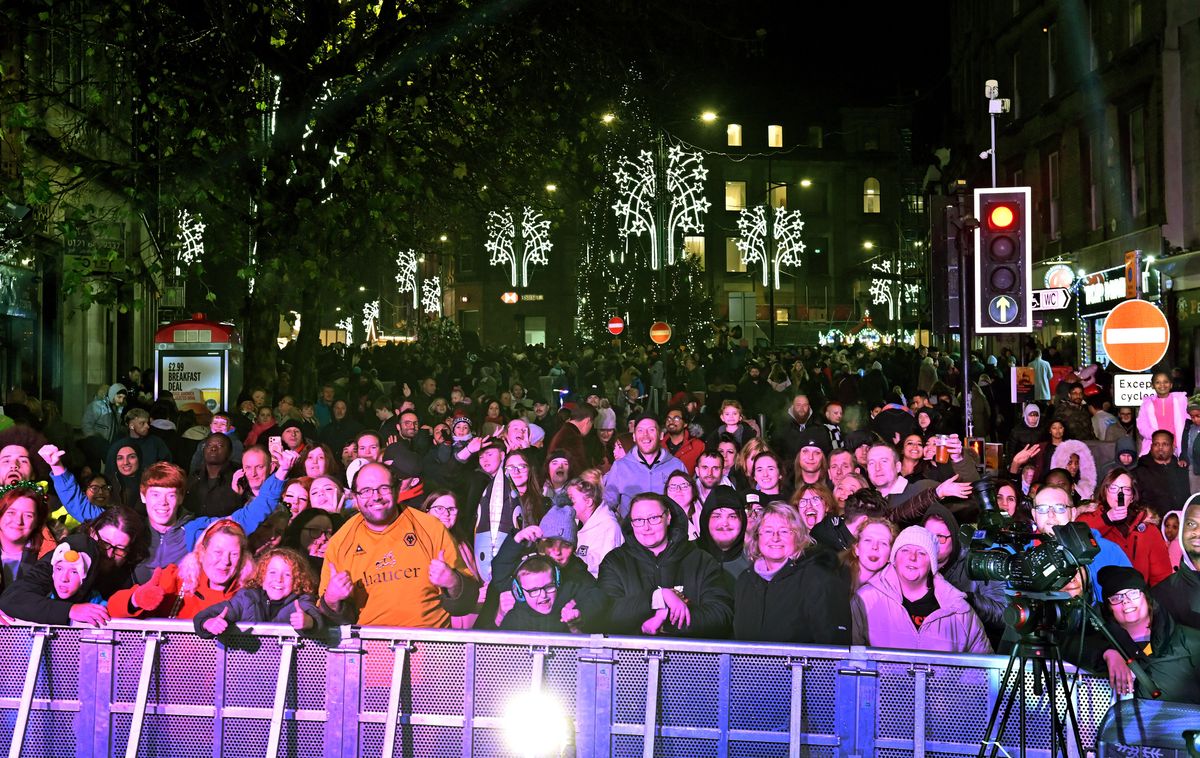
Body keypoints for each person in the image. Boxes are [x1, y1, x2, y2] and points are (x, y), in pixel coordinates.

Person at [39, 443, 294, 584]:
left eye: (171, 495)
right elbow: (84, 510)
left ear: (181, 497)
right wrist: (58, 468)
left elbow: (248, 517)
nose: (163, 503)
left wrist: (280, 474)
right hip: (133, 616)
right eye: (155, 495)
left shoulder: (198, 529)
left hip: (182, 622)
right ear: (143, 496)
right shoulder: (133, 527)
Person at [318, 462, 480, 627]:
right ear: (355, 497)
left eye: (384, 488)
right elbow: (329, 620)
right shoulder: (340, 542)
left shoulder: (430, 527)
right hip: (369, 646)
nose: (376, 497)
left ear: (396, 490)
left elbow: (467, 602)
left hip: (430, 644)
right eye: (366, 491)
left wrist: (453, 582)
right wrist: (331, 599)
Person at [597, 493, 733, 638]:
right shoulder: (615, 562)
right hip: (631, 657)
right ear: (631, 522)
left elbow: (721, 615)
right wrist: (657, 598)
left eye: (654, 518)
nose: (646, 527)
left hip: (687, 658)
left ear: (668, 517)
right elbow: (606, 614)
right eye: (638, 520)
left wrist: (665, 618)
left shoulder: (701, 560)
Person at [850, 525, 992, 653]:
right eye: (905, 550)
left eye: (922, 553)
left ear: (932, 564)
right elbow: (851, 663)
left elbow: (983, 672)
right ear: (894, 558)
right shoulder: (865, 600)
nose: (912, 557)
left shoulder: (959, 611)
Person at [733, 501, 850, 643]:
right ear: (758, 537)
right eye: (768, 531)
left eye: (784, 531)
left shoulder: (818, 579)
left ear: (799, 536)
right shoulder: (745, 580)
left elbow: (832, 647)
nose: (775, 538)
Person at [1088, 566, 1200, 704]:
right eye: (1116, 597)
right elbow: (1063, 642)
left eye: (1133, 593)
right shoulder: (1101, 641)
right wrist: (1107, 652)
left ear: (1147, 598)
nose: (1126, 601)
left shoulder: (1189, 640)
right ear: (1109, 608)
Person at [108, 518, 256, 619]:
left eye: (234, 554)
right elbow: (113, 609)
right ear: (202, 552)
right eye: (218, 552)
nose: (225, 562)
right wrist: (136, 599)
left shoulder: (249, 596)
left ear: (243, 558)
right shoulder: (176, 580)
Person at [194, 546, 324, 638]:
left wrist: (308, 622)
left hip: (286, 668)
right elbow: (209, 614)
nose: (278, 579)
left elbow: (312, 612)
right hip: (248, 668)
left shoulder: (300, 602)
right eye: (272, 572)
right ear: (262, 576)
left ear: (298, 580)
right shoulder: (247, 598)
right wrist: (208, 623)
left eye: (288, 575)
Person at [1077, 469, 1172, 586]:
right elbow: (1079, 538)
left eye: (1126, 490)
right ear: (1105, 491)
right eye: (1113, 488)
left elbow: (1162, 577)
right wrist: (1106, 519)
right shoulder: (1088, 518)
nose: (1119, 494)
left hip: (1136, 597)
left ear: (1132, 496)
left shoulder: (1147, 528)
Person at [602, 415, 686, 519]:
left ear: (661, 435)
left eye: (651, 430)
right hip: (631, 532)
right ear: (634, 436)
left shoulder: (677, 466)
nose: (645, 435)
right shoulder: (620, 467)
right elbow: (608, 504)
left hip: (669, 531)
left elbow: (687, 502)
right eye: (640, 430)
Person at [1152, 499, 1200, 628]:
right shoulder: (1163, 545)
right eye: (1167, 526)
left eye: (1175, 526)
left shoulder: (1176, 544)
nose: (1169, 530)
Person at [566, 475, 622, 578]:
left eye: (571, 500)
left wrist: (570, 556)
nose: (567, 504)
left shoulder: (609, 527)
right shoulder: (573, 523)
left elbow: (604, 567)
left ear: (588, 502)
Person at [695, 485, 750, 578]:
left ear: (743, 521)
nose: (725, 523)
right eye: (717, 516)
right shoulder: (687, 555)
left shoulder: (756, 560)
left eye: (732, 516)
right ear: (706, 520)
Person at [1133, 430, 1190, 516]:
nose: (1160, 448)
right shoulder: (1139, 472)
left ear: (1172, 447)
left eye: (1165, 444)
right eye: (1156, 444)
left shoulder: (1182, 469)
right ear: (1151, 447)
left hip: (1181, 522)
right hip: (1152, 524)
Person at [1137, 370, 1188, 457]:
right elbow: (1142, 426)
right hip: (1154, 448)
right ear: (1152, 386)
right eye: (1158, 382)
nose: (1162, 385)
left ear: (1171, 384)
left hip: (1177, 449)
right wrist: (1158, 438)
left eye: (1165, 382)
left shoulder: (1181, 401)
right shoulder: (1146, 404)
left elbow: (1188, 421)